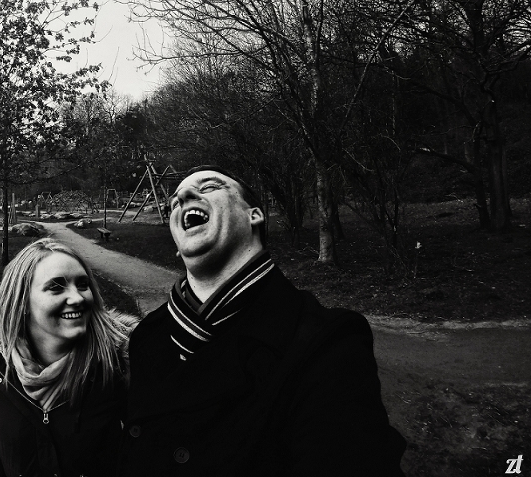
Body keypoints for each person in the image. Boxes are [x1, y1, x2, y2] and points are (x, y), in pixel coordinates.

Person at [117, 165, 406, 476]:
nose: (183, 196)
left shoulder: (327, 343)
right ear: (177, 243)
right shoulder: (148, 334)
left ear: (254, 215)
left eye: (210, 187)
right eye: (174, 202)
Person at [0, 238, 139, 477]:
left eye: (82, 284)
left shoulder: (118, 360)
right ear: (23, 301)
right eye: (56, 287)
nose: (78, 298)